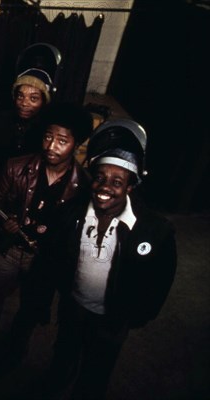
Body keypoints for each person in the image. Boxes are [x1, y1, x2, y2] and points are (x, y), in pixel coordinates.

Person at [41, 119, 177, 399]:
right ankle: (55, 382)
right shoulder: (70, 214)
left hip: (112, 320)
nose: (105, 187)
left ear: (130, 187)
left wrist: (138, 316)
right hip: (74, 306)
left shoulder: (155, 230)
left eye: (117, 182)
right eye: (100, 177)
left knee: (96, 371)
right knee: (64, 353)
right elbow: (52, 257)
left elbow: (161, 279)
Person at [0, 101, 93, 371]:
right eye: (48, 136)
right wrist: (4, 221)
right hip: (7, 250)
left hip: (43, 260)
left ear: (76, 144)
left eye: (62, 140)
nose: (52, 145)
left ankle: (12, 355)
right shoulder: (16, 166)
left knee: (29, 312)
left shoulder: (84, 186)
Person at [0, 43, 62, 179]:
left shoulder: (48, 130)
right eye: (20, 96)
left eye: (33, 98)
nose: (24, 103)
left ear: (44, 101)